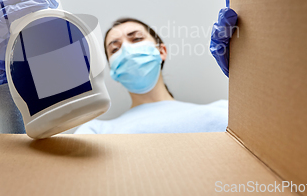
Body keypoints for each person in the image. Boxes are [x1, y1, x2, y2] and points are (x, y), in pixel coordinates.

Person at [74, 17, 228, 134]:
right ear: (113, 71)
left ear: (161, 51)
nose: (126, 50)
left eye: (137, 39)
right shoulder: (96, 132)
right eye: (115, 49)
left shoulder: (223, 111)